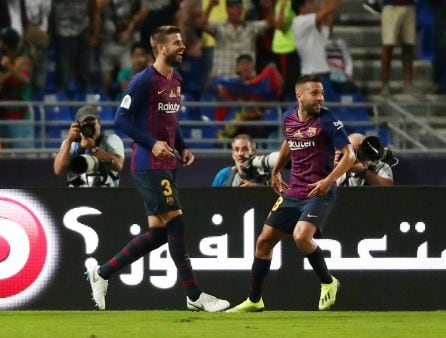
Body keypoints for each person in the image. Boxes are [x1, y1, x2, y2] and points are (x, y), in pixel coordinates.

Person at [87, 25, 230, 312]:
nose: (182, 47)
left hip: (167, 162)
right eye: (176, 43)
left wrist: (182, 145)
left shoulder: (176, 79)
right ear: (160, 48)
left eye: (182, 42)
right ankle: (195, 296)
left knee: (159, 233)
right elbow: (121, 119)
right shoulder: (143, 81)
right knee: (176, 222)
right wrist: (152, 143)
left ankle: (102, 272)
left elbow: (170, 122)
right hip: (148, 163)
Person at [227, 74, 356, 312]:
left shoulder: (328, 120)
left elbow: (350, 155)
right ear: (300, 96)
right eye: (315, 93)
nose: (321, 97)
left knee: (300, 236)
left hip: (319, 191)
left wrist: (329, 180)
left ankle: (329, 282)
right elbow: (289, 142)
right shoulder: (288, 117)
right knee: (263, 243)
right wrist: (276, 170)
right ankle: (254, 300)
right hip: (293, 191)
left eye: (322, 93)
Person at [53, 105, 125, 187]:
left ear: (99, 123)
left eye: (93, 124)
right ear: (78, 126)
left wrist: (93, 148)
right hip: (77, 194)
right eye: (86, 125)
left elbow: (118, 165)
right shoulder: (71, 144)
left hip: (106, 193)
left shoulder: (111, 140)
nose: (90, 128)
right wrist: (68, 141)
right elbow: (58, 170)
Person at [202, 0, 274, 77]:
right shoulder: (219, 27)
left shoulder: (251, 27)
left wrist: (268, 8)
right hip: (223, 78)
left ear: (242, 9)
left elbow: (270, 23)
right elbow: (202, 24)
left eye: (238, 8)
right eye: (232, 7)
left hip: (245, 80)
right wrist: (210, 7)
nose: (235, 11)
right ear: (226, 9)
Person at [291, 0, 342, 102]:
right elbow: (326, 11)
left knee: (327, 113)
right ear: (301, 7)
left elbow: (327, 20)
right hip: (311, 75)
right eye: (309, 3)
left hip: (324, 74)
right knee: (315, 114)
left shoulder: (313, 30)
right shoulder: (299, 21)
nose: (312, 5)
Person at [0, 27, 33, 149]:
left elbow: (25, 79)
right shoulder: (4, 62)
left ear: (6, 44)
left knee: (22, 153)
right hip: (3, 116)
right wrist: (11, 69)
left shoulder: (23, 61)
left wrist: (9, 67)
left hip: (19, 117)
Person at [380, 0, 416, 95]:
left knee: (408, 45)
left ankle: (408, 85)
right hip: (391, 6)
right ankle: (385, 84)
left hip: (409, 6)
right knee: (388, 46)